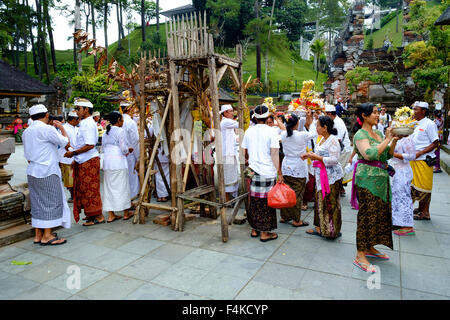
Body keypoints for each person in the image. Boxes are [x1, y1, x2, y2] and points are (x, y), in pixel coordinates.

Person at [351, 103, 397, 273]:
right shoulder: (360, 134)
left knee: (379, 214)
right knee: (366, 216)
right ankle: (360, 255)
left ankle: (369, 247)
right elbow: (369, 154)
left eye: (378, 113)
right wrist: (387, 138)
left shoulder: (377, 133)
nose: (378, 115)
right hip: (367, 180)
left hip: (382, 180)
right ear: (364, 115)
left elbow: (388, 155)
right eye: (375, 113)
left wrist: (392, 141)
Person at [23, 104, 70, 245]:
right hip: (47, 171)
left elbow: (28, 155)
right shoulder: (47, 129)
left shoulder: (27, 132)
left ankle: (38, 234)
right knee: (51, 202)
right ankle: (47, 236)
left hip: (32, 171)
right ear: (47, 115)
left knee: (37, 202)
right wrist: (62, 128)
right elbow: (65, 142)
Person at [241, 105, 283, 242]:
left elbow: (243, 152)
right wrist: (279, 172)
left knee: (254, 200)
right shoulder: (272, 132)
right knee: (266, 202)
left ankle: (254, 229)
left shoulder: (249, 131)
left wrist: (248, 162)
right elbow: (275, 154)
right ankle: (265, 233)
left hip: (253, 170)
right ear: (266, 117)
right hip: (267, 171)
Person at [302, 116, 343, 239]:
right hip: (321, 175)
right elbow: (318, 154)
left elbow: (335, 160)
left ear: (325, 128)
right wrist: (309, 155)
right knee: (322, 202)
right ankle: (322, 227)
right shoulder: (322, 139)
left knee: (330, 203)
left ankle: (331, 230)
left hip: (331, 177)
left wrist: (317, 158)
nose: (316, 128)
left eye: (318, 125)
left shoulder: (333, 140)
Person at [64, 98, 104, 226]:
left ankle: (97, 216)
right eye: (76, 108)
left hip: (89, 160)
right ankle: (91, 213)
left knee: (90, 189)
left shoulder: (87, 123)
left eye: (78, 108)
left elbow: (90, 145)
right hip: (84, 160)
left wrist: (74, 153)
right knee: (85, 188)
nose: (76, 111)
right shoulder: (84, 122)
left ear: (86, 110)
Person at [280, 112, 314, 227]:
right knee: (297, 194)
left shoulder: (283, 134)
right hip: (298, 166)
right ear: (297, 123)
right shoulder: (302, 135)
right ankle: (296, 220)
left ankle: (284, 216)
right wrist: (309, 118)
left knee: (286, 192)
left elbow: (284, 130)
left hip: (286, 166)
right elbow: (313, 133)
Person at [102, 111, 133, 223]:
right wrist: (128, 150)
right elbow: (123, 148)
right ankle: (125, 213)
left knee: (109, 188)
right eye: (122, 120)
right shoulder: (120, 131)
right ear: (119, 120)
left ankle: (111, 215)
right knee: (123, 187)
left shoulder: (106, 133)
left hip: (108, 163)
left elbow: (103, 148)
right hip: (118, 162)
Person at [410, 101, 439, 221]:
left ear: (423, 111)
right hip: (414, 159)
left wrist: (420, 153)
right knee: (414, 186)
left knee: (424, 187)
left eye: (416, 109)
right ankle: (420, 208)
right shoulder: (415, 123)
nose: (414, 111)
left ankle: (426, 212)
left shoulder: (429, 124)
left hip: (423, 160)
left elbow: (435, 143)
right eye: (414, 109)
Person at [390, 134, 416, 236]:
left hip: (403, 172)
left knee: (404, 198)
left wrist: (393, 154)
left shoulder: (407, 139)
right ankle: (398, 222)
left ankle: (408, 226)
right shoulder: (393, 138)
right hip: (395, 171)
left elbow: (412, 156)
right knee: (396, 198)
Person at [325, 103, 352, 196]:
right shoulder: (334, 121)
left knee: (339, 169)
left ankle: (339, 188)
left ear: (330, 114)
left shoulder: (337, 123)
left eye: (326, 114)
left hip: (343, 148)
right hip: (340, 148)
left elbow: (338, 139)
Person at [121, 101, 140, 205]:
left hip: (120, 155)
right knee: (131, 178)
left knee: (124, 178)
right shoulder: (130, 122)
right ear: (130, 109)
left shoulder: (118, 121)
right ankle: (130, 201)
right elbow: (135, 141)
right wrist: (138, 156)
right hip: (130, 154)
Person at [59, 110, 79, 202]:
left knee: (76, 178)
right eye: (78, 119)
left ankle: (76, 194)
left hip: (76, 155)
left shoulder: (77, 128)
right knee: (69, 179)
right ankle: (72, 195)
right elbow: (64, 143)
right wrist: (72, 152)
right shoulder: (64, 128)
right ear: (74, 119)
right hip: (67, 157)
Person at [220, 104, 239, 200]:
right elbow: (240, 124)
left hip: (230, 152)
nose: (232, 113)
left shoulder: (227, 121)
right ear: (225, 113)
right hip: (227, 153)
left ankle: (230, 196)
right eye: (231, 111)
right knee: (228, 175)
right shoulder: (226, 122)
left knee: (232, 174)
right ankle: (226, 198)